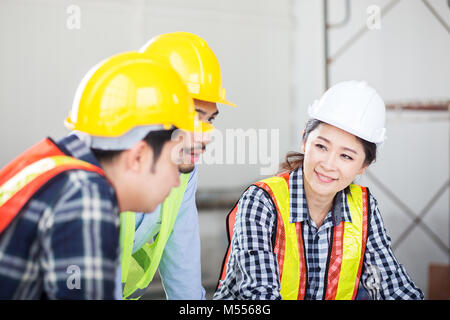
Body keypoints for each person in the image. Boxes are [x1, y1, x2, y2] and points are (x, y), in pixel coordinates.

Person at [0, 51, 211, 299]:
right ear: (139, 156)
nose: (178, 181)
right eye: (174, 160)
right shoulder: (85, 197)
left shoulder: (54, 168)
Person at [214, 81, 424, 300]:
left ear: (363, 166)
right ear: (305, 141)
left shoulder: (363, 209)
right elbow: (258, 296)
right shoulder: (262, 201)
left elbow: (391, 286)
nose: (328, 164)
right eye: (321, 146)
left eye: (346, 156)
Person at [118, 32, 236, 300]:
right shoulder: (100, 174)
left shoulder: (184, 173)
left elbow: (183, 267)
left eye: (210, 121)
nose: (204, 135)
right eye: (192, 117)